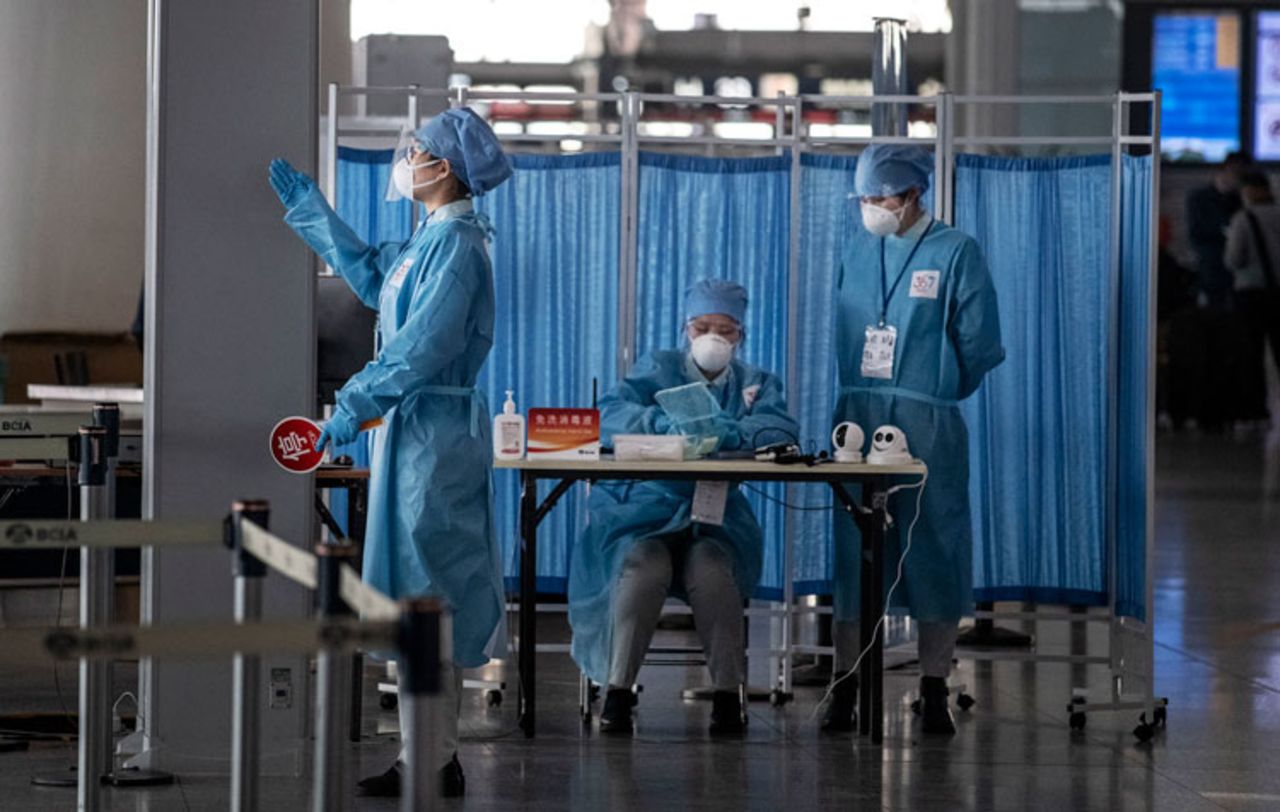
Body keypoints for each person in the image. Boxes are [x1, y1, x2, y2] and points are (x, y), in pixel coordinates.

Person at [268, 107, 512, 799]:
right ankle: (427, 754)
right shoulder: (429, 238)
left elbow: (421, 348)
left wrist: (347, 410)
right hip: (412, 433)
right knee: (410, 598)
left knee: (426, 600)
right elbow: (378, 282)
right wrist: (317, 218)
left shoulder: (460, 246)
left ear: (447, 168)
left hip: (434, 437)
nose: (409, 158)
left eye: (419, 149)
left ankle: (433, 758)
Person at [824, 144, 1004, 736]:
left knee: (934, 549)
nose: (871, 208)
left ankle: (933, 688)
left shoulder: (956, 252)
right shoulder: (858, 249)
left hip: (927, 425)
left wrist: (935, 388)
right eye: (865, 199)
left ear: (913, 195)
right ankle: (846, 684)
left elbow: (978, 346)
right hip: (856, 415)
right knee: (854, 557)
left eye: (881, 198)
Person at [568, 279, 798, 735]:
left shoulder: (756, 385)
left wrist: (730, 431)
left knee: (712, 571)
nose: (713, 337)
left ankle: (728, 696)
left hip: (715, 522)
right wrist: (659, 422)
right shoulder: (658, 369)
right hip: (645, 512)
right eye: (702, 327)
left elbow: (780, 431)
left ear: (741, 335)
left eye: (725, 329)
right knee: (642, 567)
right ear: (685, 330)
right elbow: (609, 414)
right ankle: (617, 691)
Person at [1185, 151, 1247, 431]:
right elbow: (1199, 237)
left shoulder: (1240, 202)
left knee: (1234, 349)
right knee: (1208, 347)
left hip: (1237, 283)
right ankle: (1207, 410)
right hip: (1212, 280)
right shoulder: (1200, 199)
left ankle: (1231, 409)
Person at [1224, 170, 1280, 428]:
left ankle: (1254, 411)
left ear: (1253, 191)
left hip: (1251, 294)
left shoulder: (1243, 219)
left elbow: (1234, 258)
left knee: (1250, 353)